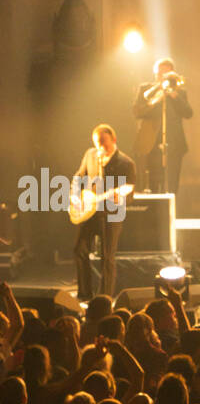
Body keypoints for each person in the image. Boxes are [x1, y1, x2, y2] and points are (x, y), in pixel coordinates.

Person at [73, 124, 137, 302]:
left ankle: (104, 298)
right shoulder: (90, 155)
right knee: (79, 249)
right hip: (89, 211)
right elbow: (79, 176)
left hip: (110, 214)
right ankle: (84, 294)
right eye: (97, 143)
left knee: (107, 256)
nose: (100, 147)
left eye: (104, 143)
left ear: (114, 140)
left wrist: (120, 196)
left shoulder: (126, 163)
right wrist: (75, 195)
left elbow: (129, 190)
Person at [132, 57, 192, 195]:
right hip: (150, 144)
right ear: (155, 74)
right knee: (150, 184)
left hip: (174, 144)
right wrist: (154, 101)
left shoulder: (179, 92)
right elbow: (137, 112)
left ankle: (169, 214)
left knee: (171, 185)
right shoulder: (146, 89)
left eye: (166, 74)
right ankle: (151, 215)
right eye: (160, 74)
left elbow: (188, 113)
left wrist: (175, 96)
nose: (163, 77)